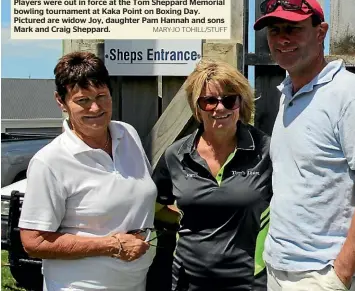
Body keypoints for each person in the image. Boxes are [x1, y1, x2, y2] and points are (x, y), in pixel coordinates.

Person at [253, 0, 355, 290]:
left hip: (322, 273)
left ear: (321, 32)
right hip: (280, 266)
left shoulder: (353, 99)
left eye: (293, 29)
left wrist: (340, 276)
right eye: (275, 30)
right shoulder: (290, 95)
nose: (282, 39)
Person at [18, 51, 157, 290]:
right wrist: (112, 245)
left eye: (102, 96)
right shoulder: (50, 161)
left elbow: (136, 198)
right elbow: (33, 241)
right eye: (82, 100)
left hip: (134, 283)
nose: (95, 108)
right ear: (61, 101)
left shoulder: (128, 134)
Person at [151, 59, 272, 291]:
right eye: (209, 101)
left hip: (250, 282)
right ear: (197, 107)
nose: (220, 108)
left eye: (229, 100)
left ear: (241, 103)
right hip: (188, 281)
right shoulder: (176, 155)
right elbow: (154, 207)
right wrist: (191, 216)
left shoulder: (267, 151)